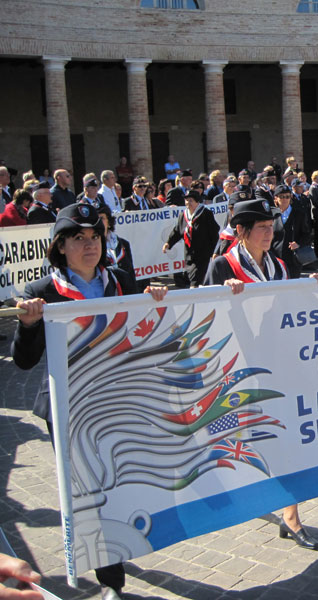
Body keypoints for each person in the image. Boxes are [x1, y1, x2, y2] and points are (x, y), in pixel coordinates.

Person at [12, 204, 167, 600]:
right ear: (60, 247)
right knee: (89, 491)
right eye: (78, 238)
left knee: (120, 482)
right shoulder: (41, 292)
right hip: (68, 408)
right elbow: (24, 361)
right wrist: (28, 324)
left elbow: (144, 335)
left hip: (117, 399)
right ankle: (111, 580)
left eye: (94, 237)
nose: (89, 245)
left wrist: (153, 300)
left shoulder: (120, 280)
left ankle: (121, 543)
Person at [203, 199, 318, 551]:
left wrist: (314, 286)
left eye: (271, 226)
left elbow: (292, 309)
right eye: (261, 227)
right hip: (238, 371)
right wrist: (226, 298)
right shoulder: (221, 266)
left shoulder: (280, 265)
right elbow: (204, 315)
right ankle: (247, 494)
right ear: (241, 231)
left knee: (284, 438)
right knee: (246, 441)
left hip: (279, 366)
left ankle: (291, 515)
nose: (269, 232)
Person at [162, 189, 219, 287]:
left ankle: (195, 296)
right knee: (190, 279)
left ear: (197, 201)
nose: (188, 203)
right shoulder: (183, 215)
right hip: (189, 255)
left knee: (196, 280)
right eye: (186, 200)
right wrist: (168, 243)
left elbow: (214, 234)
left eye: (191, 200)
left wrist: (215, 252)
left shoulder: (206, 214)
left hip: (203, 254)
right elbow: (177, 231)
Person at [271, 184, 313, 278]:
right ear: (276, 198)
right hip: (276, 257)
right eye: (282, 197)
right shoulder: (272, 214)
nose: (285, 199)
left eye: (287, 196)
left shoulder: (299, 214)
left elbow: (307, 234)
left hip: (293, 258)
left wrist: (298, 243)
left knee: (293, 284)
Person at [97, 203, 136, 281]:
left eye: (101, 218)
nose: (98, 222)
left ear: (109, 222)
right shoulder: (92, 248)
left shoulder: (124, 244)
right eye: (95, 219)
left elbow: (131, 276)